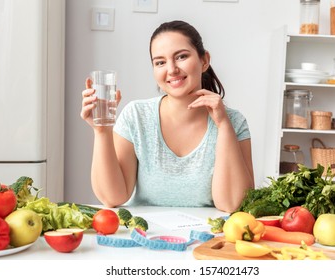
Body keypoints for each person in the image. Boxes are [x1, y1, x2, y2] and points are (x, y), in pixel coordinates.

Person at [81, 20, 254, 213]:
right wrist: (102, 131)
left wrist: (223, 126)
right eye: (160, 62)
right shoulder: (136, 116)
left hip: (207, 238)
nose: (171, 69)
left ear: (204, 60)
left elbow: (233, 204)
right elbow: (112, 198)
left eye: (181, 56)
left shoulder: (234, 122)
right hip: (145, 236)